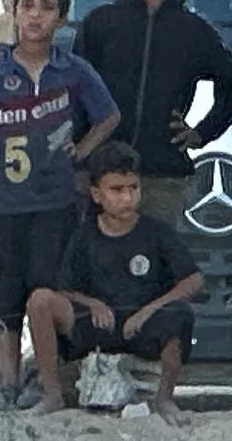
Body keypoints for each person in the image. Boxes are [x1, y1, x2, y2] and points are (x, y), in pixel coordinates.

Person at [0, 0, 121, 407]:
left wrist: (84, 149)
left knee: (47, 287)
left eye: (47, 8)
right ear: (15, 13)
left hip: (55, 202)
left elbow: (108, 116)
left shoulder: (72, 70)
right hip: (6, 202)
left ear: (61, 18)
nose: (36, 15)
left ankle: (46, 377)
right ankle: (7, 383)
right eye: (28, 6)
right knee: (4, 296)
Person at [25, 141, 204, 406]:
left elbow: (194, 280)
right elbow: (64, 287)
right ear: (97, 194)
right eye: (117, 190)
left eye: (133, 188)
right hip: (97, 324)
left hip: (142, 324)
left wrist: (148, 311)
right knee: (40, 300)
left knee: (180, 315)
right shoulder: (84, 235)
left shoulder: (157, 232)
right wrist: (92, 303)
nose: (127, 198)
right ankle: (52, 395)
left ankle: (165, 398)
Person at [77, 0, 232, 233]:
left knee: (155, 263)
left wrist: (202, 132)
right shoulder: (100, 22)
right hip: (100, 172)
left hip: (162, 174)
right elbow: (76, 90)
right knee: (94, 260)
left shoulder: (194, 30)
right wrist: (80, 156)